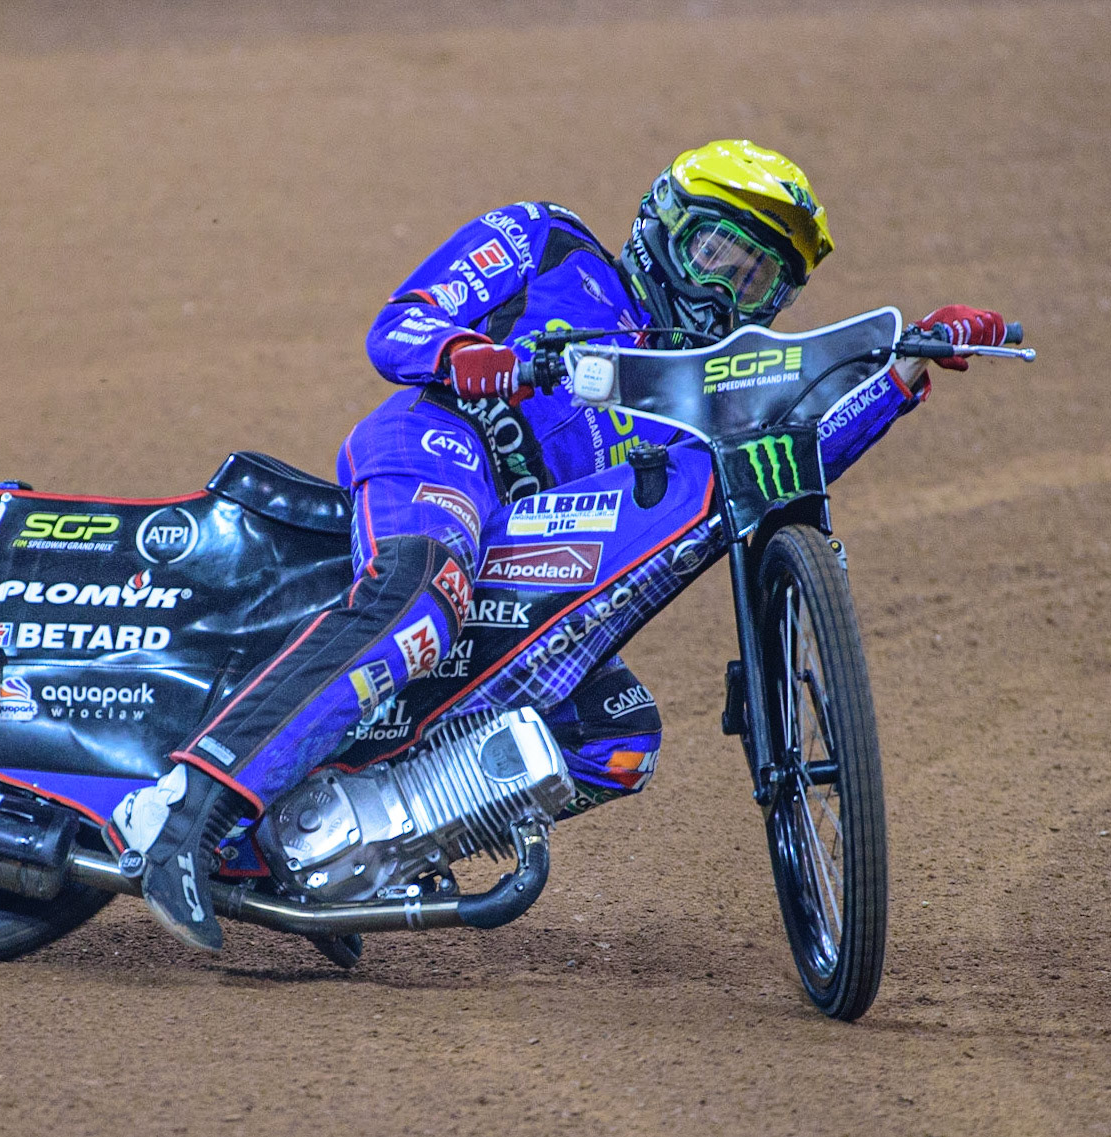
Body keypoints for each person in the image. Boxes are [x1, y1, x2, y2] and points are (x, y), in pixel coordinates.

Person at [111, 139, 1008, 950]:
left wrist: (904, 371)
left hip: (536, 551)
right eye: (714, 255)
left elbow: (789, 460)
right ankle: (186, 814)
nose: (723, 293)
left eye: (757, 281)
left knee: (618, 740)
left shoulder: (706, 389)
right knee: (423, 595)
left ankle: (339, 858)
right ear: (661, 224)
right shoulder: (546, 241)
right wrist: (467, 353)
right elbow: (400, 326)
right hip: (444, 447)